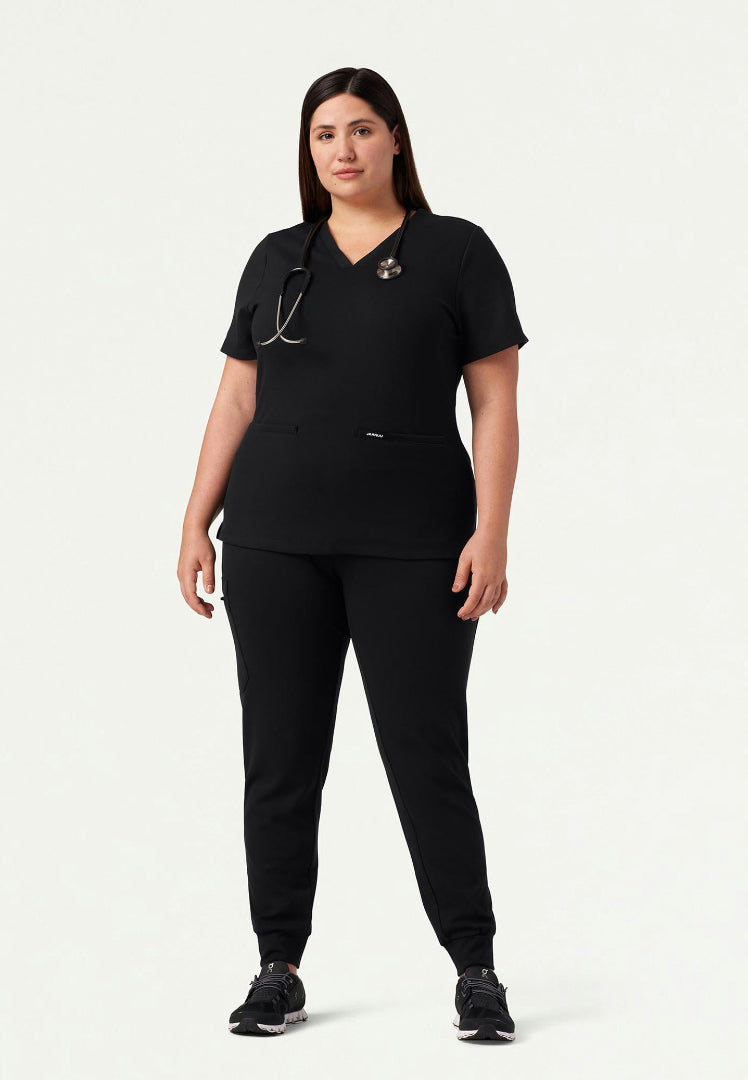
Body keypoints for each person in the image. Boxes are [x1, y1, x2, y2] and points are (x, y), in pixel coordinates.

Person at [177, 66, 528, 1043]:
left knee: (426, 754)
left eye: (362, 129)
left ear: (395, 140)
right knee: (279, 758)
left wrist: (492, 530)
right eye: (325, 133)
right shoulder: (276, 258)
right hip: (272, 539)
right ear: (309, 149)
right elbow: (236, 397)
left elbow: (495, 401)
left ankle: (475, 968)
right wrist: (195, 519)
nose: (343, 148)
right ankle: (277, 965)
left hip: (415, 546)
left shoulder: (455, 252)